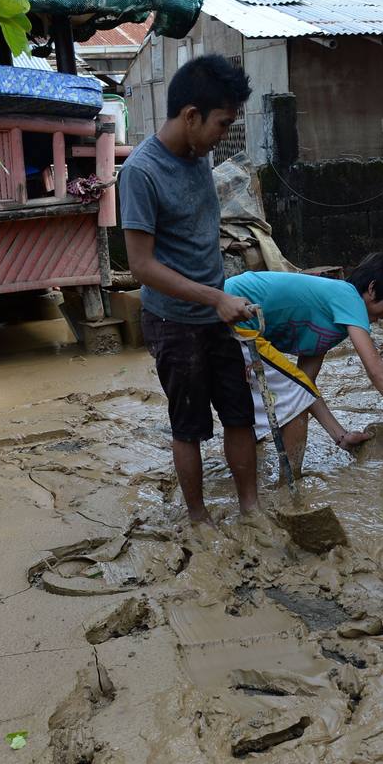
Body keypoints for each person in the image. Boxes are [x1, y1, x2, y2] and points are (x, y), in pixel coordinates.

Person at [119, 56, 257, 525]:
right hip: (173, 322)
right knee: (190, 427)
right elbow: (142, 266)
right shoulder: (140, 172)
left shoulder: (202, 158)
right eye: (223, 123)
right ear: (191, 115)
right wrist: (215, 298)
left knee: (240, 416)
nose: (226, 133)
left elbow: (201, 234)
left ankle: (250, 508)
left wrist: (224, 295)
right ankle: (198, 519)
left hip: (217, 316)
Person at [226, 254, 383, 471]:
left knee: (293, 394)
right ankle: (289, 488)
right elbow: (376, 369)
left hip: (236, 318)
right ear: (372, 289)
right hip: (234, 313)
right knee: (294, 401)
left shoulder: (329, 317)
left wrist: (341, 437)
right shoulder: (348, 296)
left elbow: (306, 386)